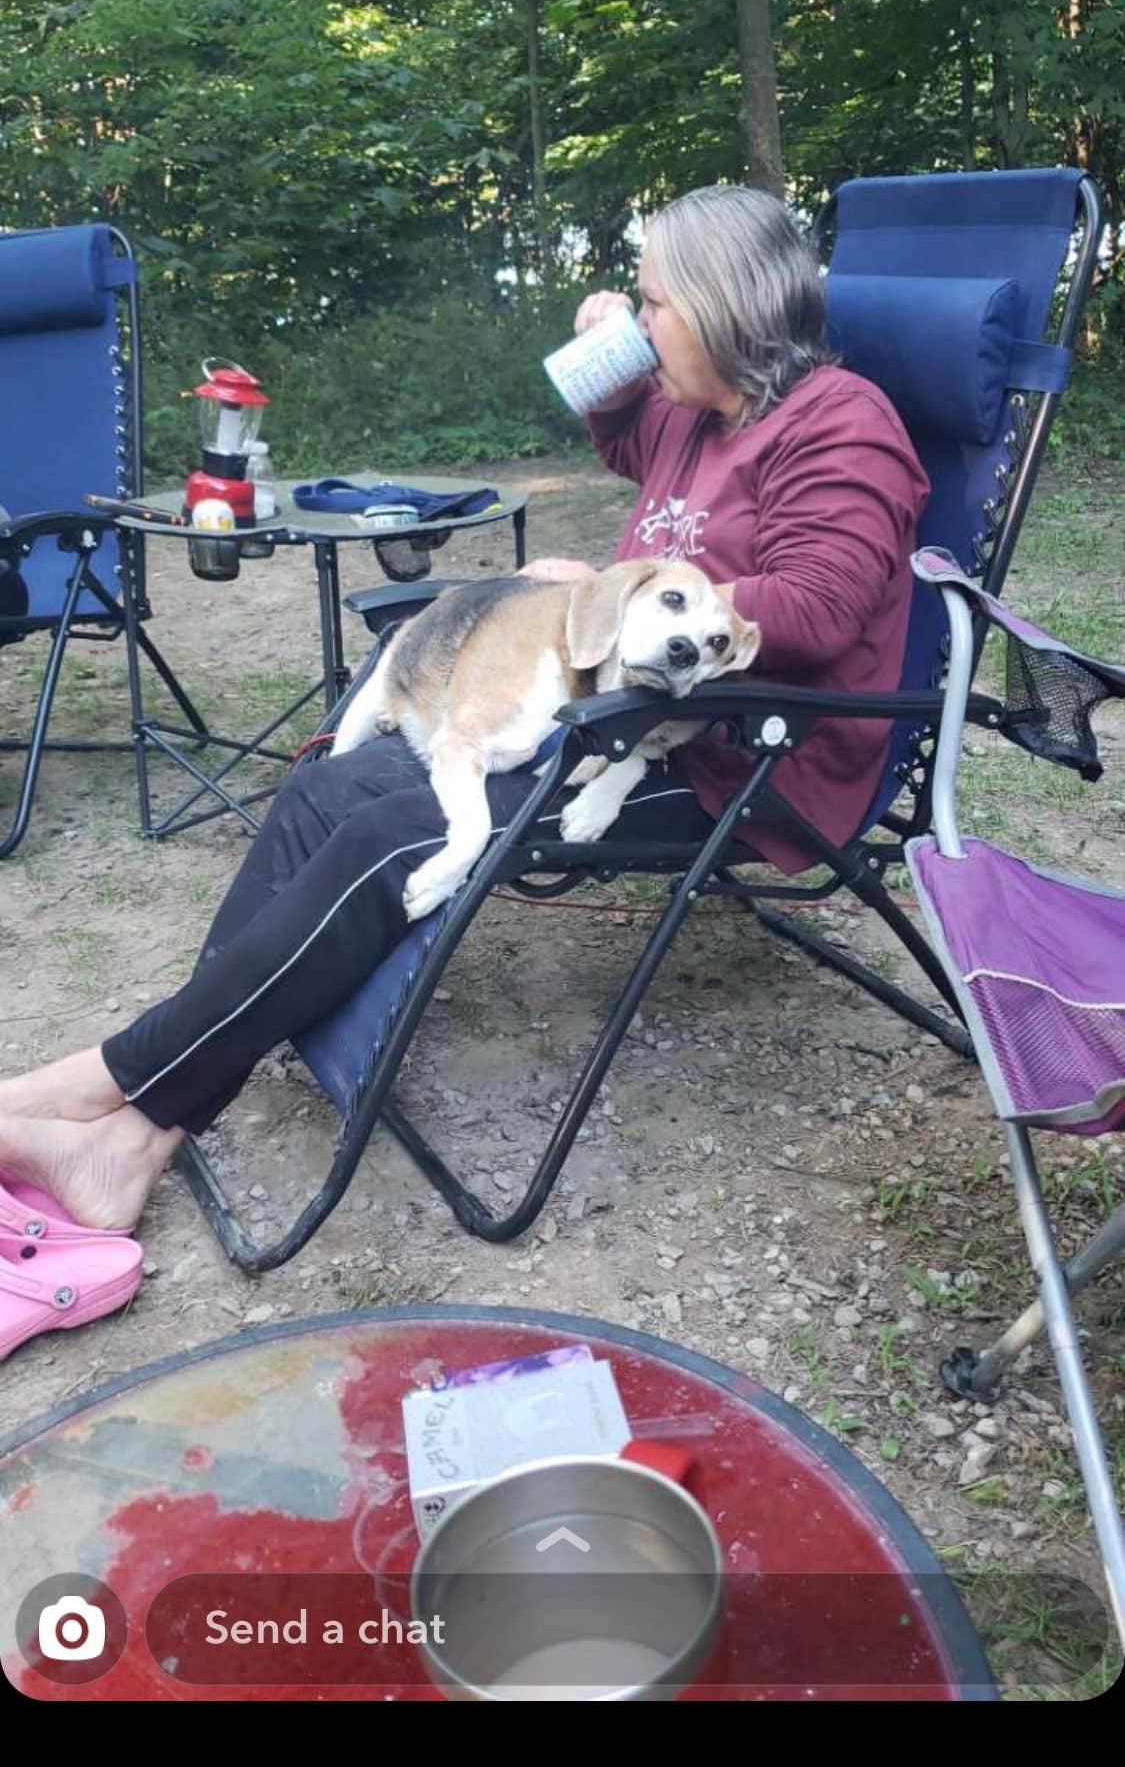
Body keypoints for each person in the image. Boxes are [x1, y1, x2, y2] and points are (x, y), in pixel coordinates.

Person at [0, 188, 929, 1238]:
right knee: (328, 786)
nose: (639, 312)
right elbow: (632, 444)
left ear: (725, 307)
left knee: (389, 831)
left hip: (734, 750)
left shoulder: (846, 425)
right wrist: (611, 355)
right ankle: (137, 1127)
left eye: (654, 302)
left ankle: (109, 1095)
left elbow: (820, 604)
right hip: (613, 709)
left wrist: (613, 602)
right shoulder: (707, 414)